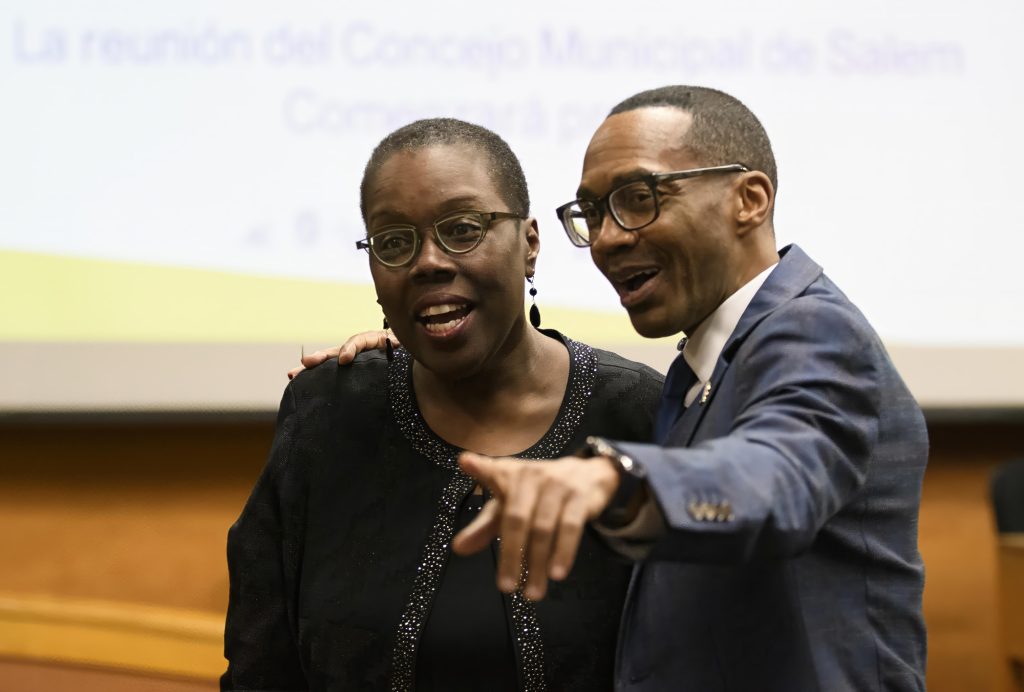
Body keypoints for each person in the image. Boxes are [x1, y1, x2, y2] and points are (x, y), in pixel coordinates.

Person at [312, 86, 929, 690]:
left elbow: (778, 475)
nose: (607, 238)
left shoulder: (811, 330)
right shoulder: (705, 367)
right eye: (595, 212)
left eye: (639, 198)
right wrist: (423, 349)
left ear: (750, 199)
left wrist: (615, 477)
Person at [221, 118, 664, 691]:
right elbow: (260, 669)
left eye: (462, 228)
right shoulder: (329, 414)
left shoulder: (641, 416)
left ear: (530, 243)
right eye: (395, 242)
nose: (427, 261)